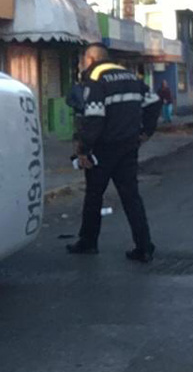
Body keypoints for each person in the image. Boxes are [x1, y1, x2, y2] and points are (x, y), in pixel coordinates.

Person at [66, 44, 163, 262]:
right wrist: (146, 131)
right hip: (129, 146)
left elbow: (94, 117)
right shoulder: (129, 76)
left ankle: (88, 242)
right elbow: (155, 102)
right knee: (131, 197)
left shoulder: (96, 79)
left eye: (83, 60)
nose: (82, 64)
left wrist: (84, 149)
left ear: (91, 59)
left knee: (94, 195)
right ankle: (144, 246)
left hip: (104, 148)